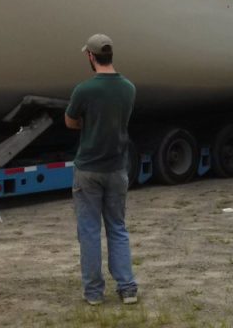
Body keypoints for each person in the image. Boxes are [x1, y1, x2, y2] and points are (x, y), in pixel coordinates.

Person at [64, 33, 139, 305]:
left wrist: (90, 123)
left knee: (89, 230)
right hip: (117, 166)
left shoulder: (84, 90)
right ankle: (127, 287)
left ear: (91, 56)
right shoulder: (129, 88)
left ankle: (94, 293)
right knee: (117, 227)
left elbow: (71, 122)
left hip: (88, 168)